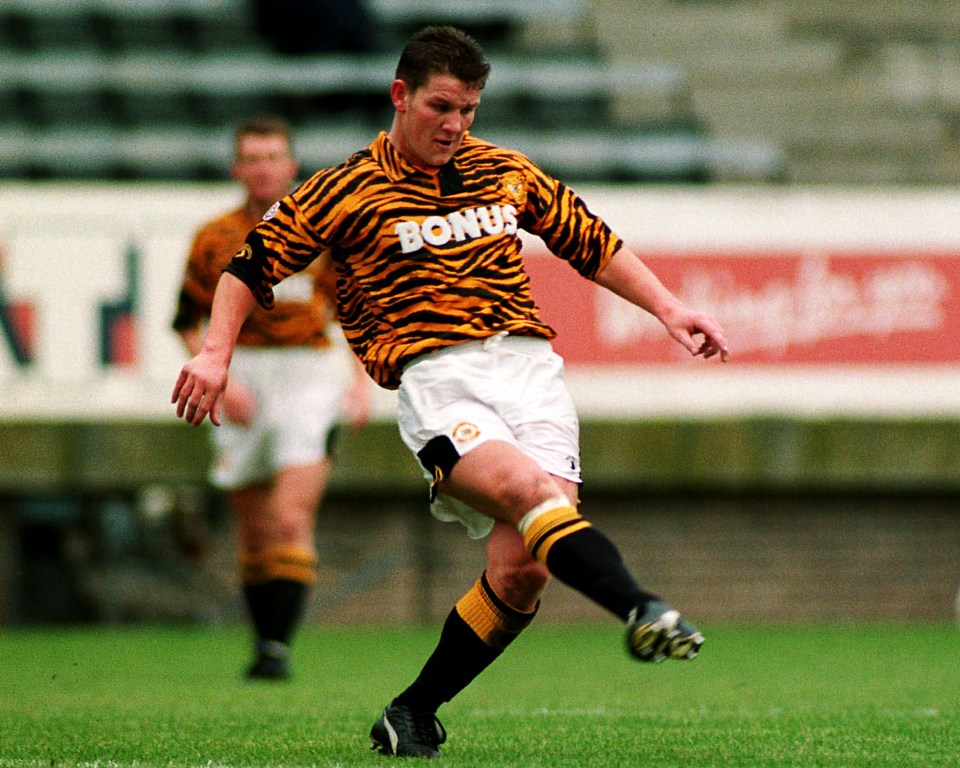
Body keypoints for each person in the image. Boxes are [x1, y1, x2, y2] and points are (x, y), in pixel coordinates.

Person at [171, 26, 729, 756]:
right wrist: (215, 354)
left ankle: (412, 711)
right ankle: (642, 608)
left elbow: (590, 240)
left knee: (523, 567)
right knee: (534, 496)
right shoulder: (345, 188)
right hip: (440, 380)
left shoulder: (503, 170)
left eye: (468, 109)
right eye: (441, 106)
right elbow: (251, 266)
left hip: (532, 373)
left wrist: (670, 308)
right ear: (400, 95)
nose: (456, 125)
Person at [171, 116, 364, 681]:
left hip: (308, 373)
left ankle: (277, 647)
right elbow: (186, 318)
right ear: (237, 168)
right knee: (253, 528)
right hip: (241, 373)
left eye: (272, 156)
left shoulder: (323, 234)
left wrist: (355, 381)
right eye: (252, 157)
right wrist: (219, 374)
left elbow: (347, 312)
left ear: (291, 166)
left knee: (287, 517)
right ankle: (265, 643)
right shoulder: (214, 237)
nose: (263, 167)